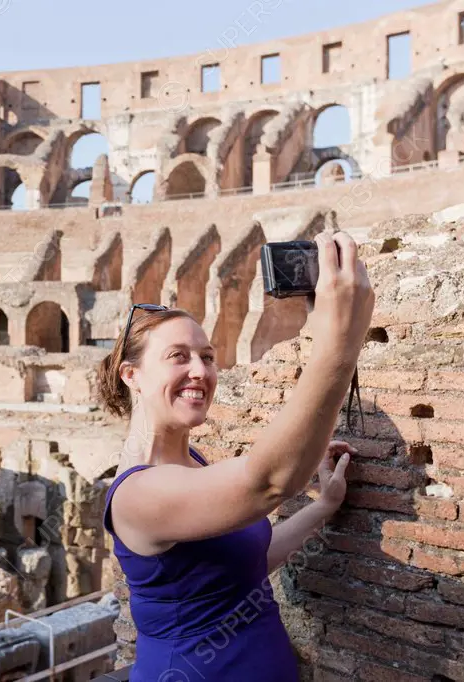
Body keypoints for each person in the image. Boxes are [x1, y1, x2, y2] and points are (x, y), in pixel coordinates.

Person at [99, 230, 375, 681]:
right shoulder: (137, 494)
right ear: (133, 375)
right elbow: (266, 482)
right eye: (178, 356)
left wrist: (323, 506)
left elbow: (244, 568)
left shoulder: (194, 464)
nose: (200, 371)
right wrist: (339, 344)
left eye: (207, 356)